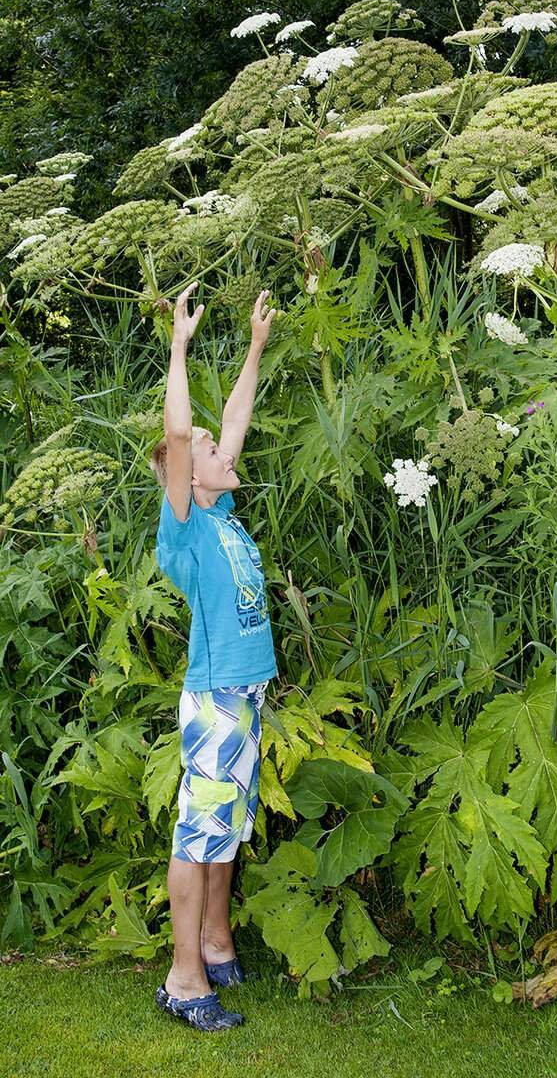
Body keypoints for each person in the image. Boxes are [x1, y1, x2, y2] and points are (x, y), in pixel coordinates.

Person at [149, 280, 278, 1031]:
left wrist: (255, 344)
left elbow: (233, 416)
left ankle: (216, 939)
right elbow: (184, 424)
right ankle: (184, 975)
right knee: (199, 834)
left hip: (245, 695)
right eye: (204, 451)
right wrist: (178, 345)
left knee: (227, 827)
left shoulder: (221, 508)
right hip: (216, 699)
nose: (219, 449)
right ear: (186, 479)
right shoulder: (188, 529)